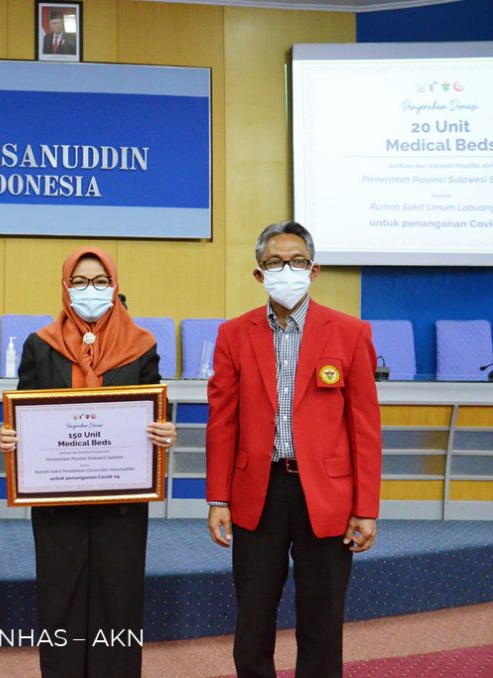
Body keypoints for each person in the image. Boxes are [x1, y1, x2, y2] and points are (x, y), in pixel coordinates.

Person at [205, 221, 382, 678]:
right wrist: (218, 498)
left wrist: (366, 508)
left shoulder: (350, 332)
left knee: (322, 619)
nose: (287, 270)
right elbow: (222, 423)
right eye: (275, 263)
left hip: (326, 494)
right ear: (259, 274)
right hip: (257, 491)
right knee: (253, 619)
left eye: (297, 261)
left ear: (314, 270)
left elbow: (364, 427)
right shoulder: (233, 334)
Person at [0, 247, 177, 678]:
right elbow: (25, 412)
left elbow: (152, 409)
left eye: (99, 282)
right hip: (58, 502)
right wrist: (9, 436)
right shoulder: (41, 345)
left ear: (114, 286)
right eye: (79, 282)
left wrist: (165, 431)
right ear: (65, 287)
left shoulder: (141, 346)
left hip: (122, 502)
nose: (89, 290)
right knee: (60, 597)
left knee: (119, 596)